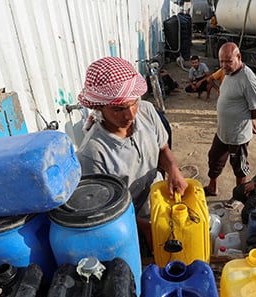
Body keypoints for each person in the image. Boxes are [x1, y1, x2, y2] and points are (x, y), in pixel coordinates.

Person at [76, 56, 188, 248]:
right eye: (118, 109)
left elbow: (163, 148)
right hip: (127, 221)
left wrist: (173, 170)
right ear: (99, 106)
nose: (130, 115)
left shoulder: (147, 111)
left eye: (133, 103)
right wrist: (144, 228)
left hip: (158, 200)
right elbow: (104, 211)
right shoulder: (93, 153)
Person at [204, 42, 256, 197]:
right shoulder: (228, 72)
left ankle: (239, 196)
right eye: (221, 61)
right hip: (223, 131)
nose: (224, 65)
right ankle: (213, 188)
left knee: (239, 167)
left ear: (239, 57)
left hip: (237, 136)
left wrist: (246, 119)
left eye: (228, 61)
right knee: (214, 158)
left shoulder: (248, 79)